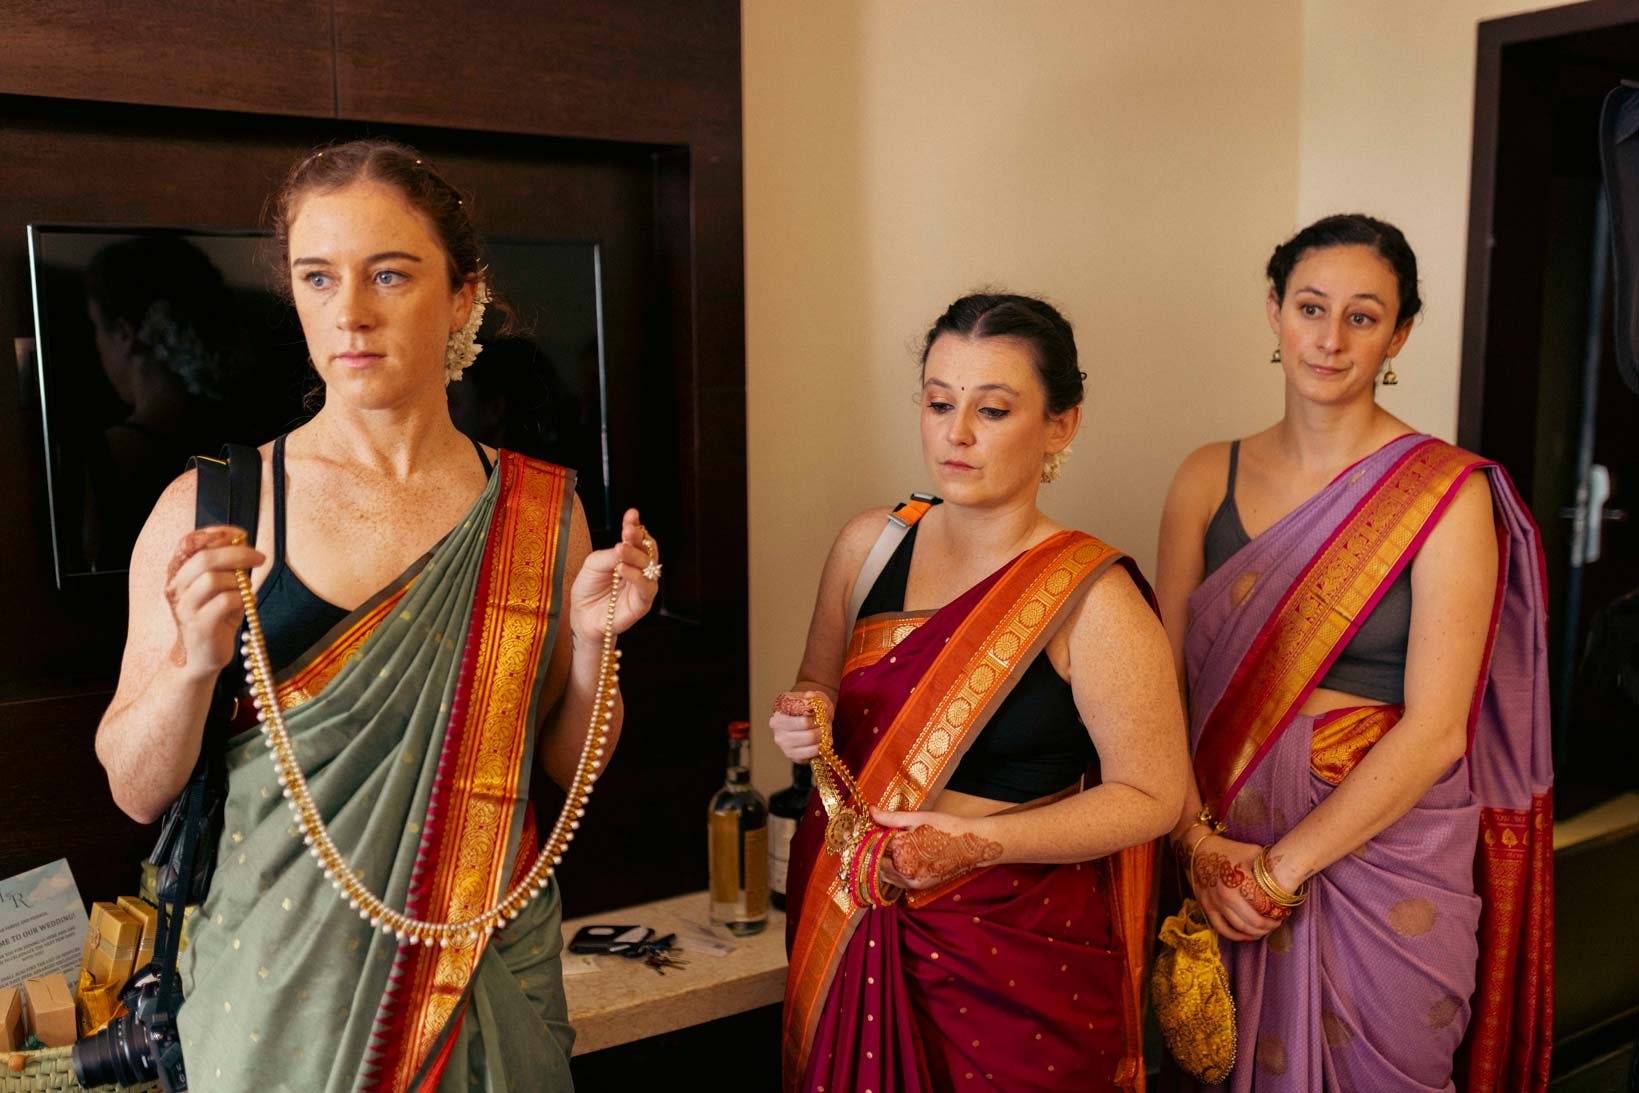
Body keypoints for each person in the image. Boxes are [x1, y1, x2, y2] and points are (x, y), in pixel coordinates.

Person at [93, 139, 660, 1091]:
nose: (348, 312)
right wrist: (192, 665)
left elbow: (564, 764)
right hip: (276, 995)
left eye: (389, 274)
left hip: (483, 971)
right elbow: (134, 789)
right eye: (318, 278)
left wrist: (596, 646)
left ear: (464, 298)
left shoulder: (539, 508)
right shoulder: (216, 505)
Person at [1154, 214, 1553, 1091]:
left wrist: (1276, 874)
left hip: (1386, 857)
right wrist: (1196, 847)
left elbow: (1438, 730)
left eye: (1363, 316)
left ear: (1399, 332)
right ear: (1273, 311)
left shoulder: (1445, 494)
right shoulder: (1201, 478)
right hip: (1221, 843)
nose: (1329, 340)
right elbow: (1164, 696)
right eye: (1309, 306)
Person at [770, 293, 1187, 1092]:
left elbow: (1153, 794)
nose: (955, 434)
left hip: (1012, 955)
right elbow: (815, 687)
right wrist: (805, 718)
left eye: (991, 409)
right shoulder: (868, 545)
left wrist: (981, 844)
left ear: (1060, 425)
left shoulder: (1092, 597)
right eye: (937, 402)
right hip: (853, 915)